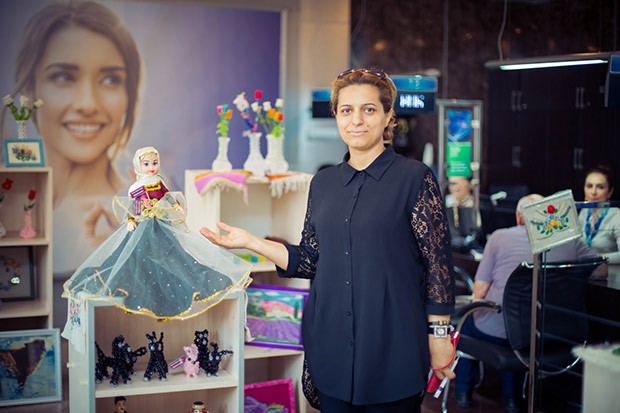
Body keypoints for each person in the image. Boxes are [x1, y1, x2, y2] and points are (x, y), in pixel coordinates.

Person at [201, 68, 456, 413]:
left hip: (393, 346)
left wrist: (439, 336)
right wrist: (251, 241)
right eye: (347, 110)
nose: (357, 120)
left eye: (369, 109)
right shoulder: (323, 183)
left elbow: (438, 264)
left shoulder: (414, 178)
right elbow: (310, 259)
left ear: (387, 117)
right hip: (331, 343)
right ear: (336, 115)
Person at [0, 1, 142, 275]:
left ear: (129, 94)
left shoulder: (139, 207)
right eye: (63, 76)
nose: (88, 104)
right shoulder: (13, 209)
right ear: (30, 90)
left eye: (110, 80)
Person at [62, 147, 251, 345]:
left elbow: (168, 197)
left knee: (171, 252)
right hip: (143, 224)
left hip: (161, 223)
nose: (151, 167)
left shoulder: (159, 182)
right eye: (146, 164)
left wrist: (176, 207)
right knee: (138, 253)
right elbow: (134, 206)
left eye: (154, 163)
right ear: (138, 165)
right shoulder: (136, 187)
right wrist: (131, 220)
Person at [454, 194, 598, 413]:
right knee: (519, 330)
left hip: (508, 330)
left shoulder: (500, 237)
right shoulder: (571, 240)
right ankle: (512, 400)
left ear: (519, 217)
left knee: (469, 324)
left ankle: (463, 393)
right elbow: (600, 268)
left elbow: (480, 290)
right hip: (552, 331)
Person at [579, 165, 620, 264]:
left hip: (611, 271)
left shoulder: (617, 216)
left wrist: (596, 258)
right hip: (585, 271)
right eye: (589, 186)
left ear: (609, 192)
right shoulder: (584, 212)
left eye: (600, 187)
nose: (593, 192)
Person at [445, 175, 482, 251]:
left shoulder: (477, 205)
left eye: (460, 184)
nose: (456, 188)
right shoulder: (446, 204)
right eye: (452, 184)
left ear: (470, 185)